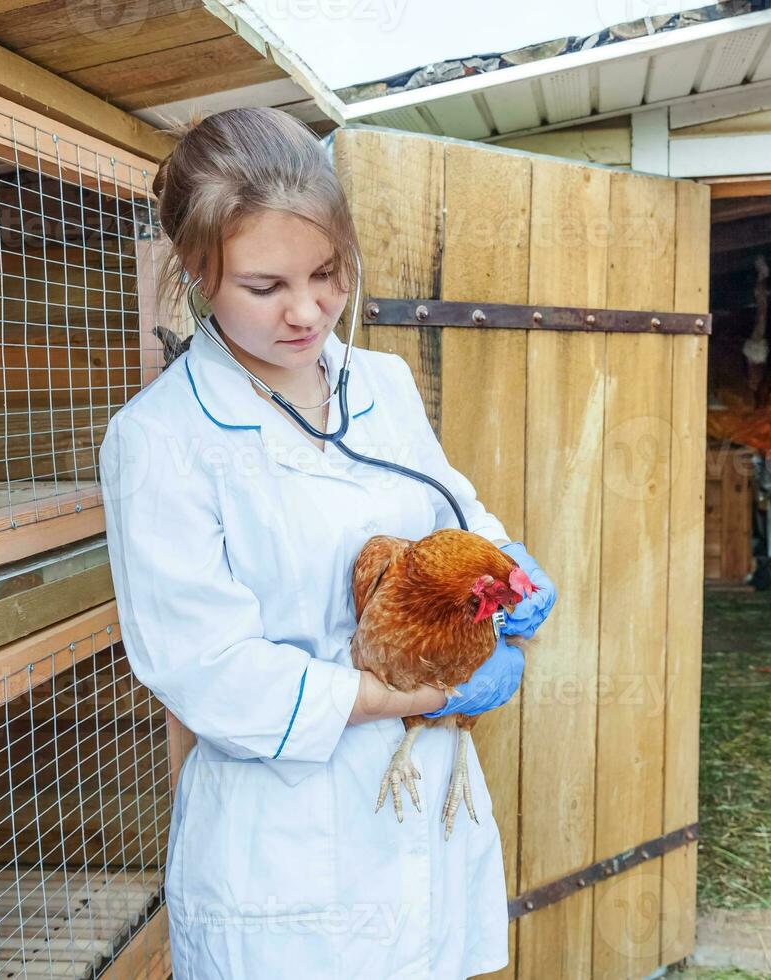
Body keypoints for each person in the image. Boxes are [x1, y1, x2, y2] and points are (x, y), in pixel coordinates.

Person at [97, 107, 557, 979]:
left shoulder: (379, 383)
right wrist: (414, 694)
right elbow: (208, 669)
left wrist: (510, 567)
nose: (308, 311)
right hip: (286, 841)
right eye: (265, 287)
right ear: (197, 272)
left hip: (422, 809)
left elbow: (452, 509)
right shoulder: (158, 442)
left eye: (327, 272)